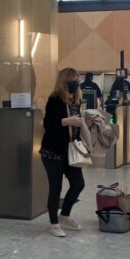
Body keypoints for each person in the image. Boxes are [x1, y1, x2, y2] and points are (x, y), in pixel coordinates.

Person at [40, 67, 86, 238]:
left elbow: (78, 123)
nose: (75, 83)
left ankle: (65, 215)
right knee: (55, 187)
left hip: (71, 150)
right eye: (72, 80)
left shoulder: (76, 100)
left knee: (78, 183)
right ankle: (54, 223)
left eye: (77, 79)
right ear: (64, 81)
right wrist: (66, 121)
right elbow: (48, 124)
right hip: (53, 151)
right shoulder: (54, 100)